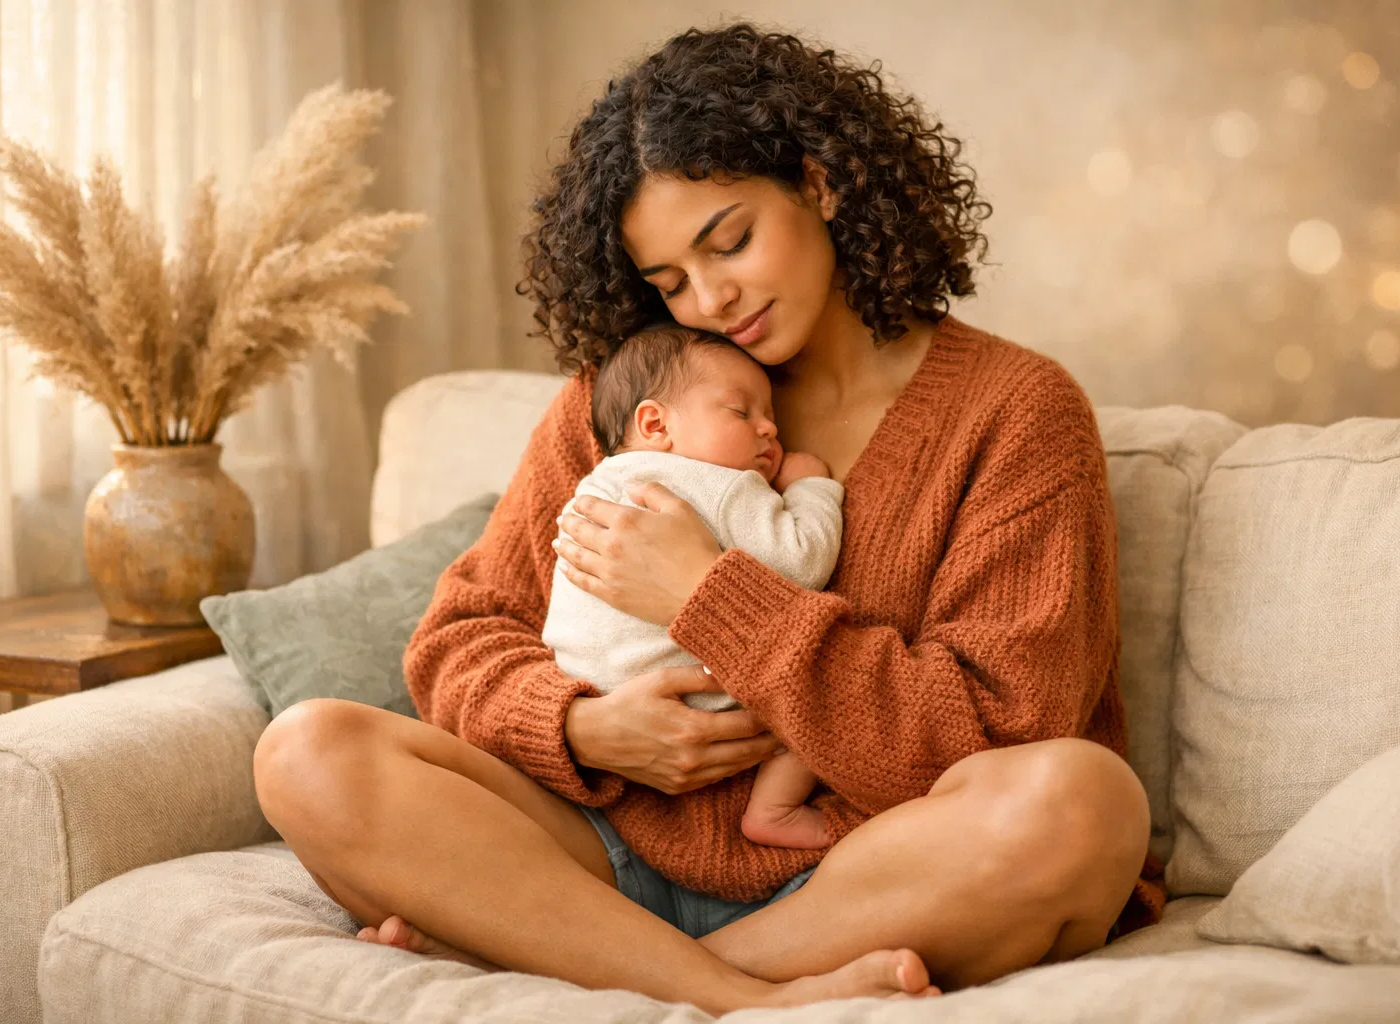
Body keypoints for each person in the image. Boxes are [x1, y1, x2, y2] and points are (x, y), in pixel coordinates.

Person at [252, 22, 1163, 1016]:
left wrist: (704, 594)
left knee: (1083, 805)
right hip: (600, 843)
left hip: (861, 872)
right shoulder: (626, 402)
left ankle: (601, 960)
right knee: (306, 752)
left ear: (820, 183)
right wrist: (588, 729)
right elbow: (456, 645)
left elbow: (1001, 726)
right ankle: (741, 994)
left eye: (728, 240)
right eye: (669, 281)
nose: (711, 299)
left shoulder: (1016, 413)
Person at [542, 321, 842, 850]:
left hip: (587, 687)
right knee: (813, 695)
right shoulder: (721, 484)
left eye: (769, 414)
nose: (770, 429)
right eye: (741, 412)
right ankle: (774, 810)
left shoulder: (597, 483)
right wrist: (812, 486)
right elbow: (802, 561)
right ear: (655, 424)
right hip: (687, 699)